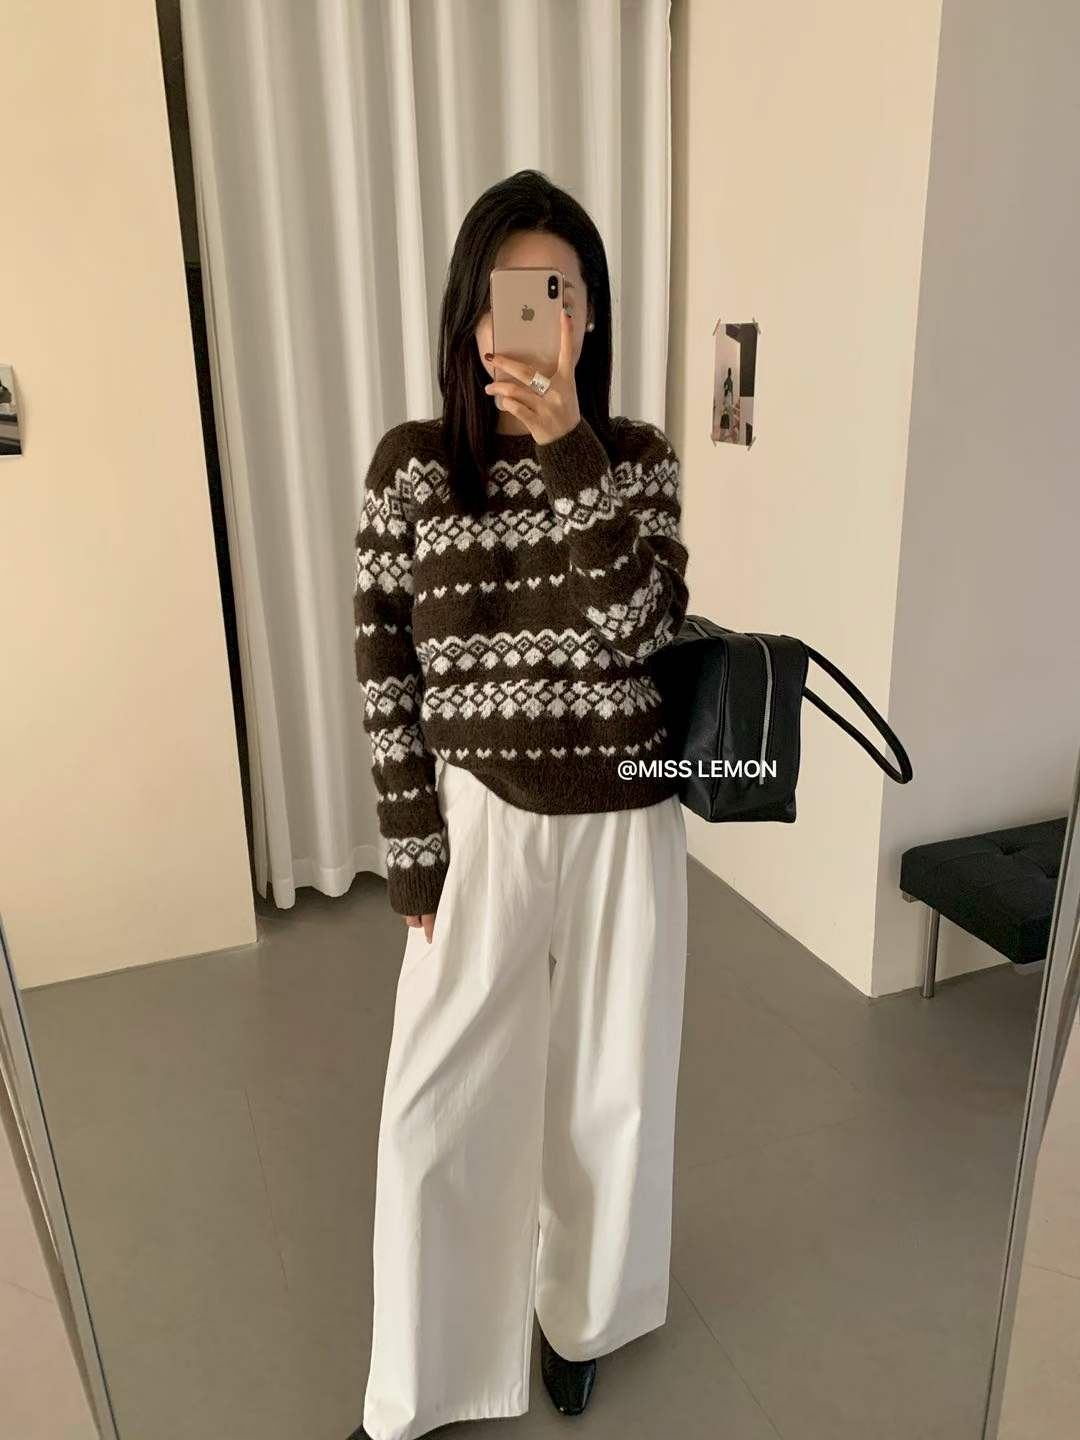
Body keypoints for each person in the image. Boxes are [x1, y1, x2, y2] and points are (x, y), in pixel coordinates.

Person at [350, 169, 690, 1440]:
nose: (540, 318)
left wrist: (569, 455)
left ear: (588, 317)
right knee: (433, 1108)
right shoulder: (411, 471)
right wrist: (409, 844)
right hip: (479, 819)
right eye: (515, 294)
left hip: (625, 819)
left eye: (565, 292)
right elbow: (384, 664)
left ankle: (583, 1320)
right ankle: (416, 1384)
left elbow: (644, 630)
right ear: (472, 315)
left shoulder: (635, 461)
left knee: (613, 1090)